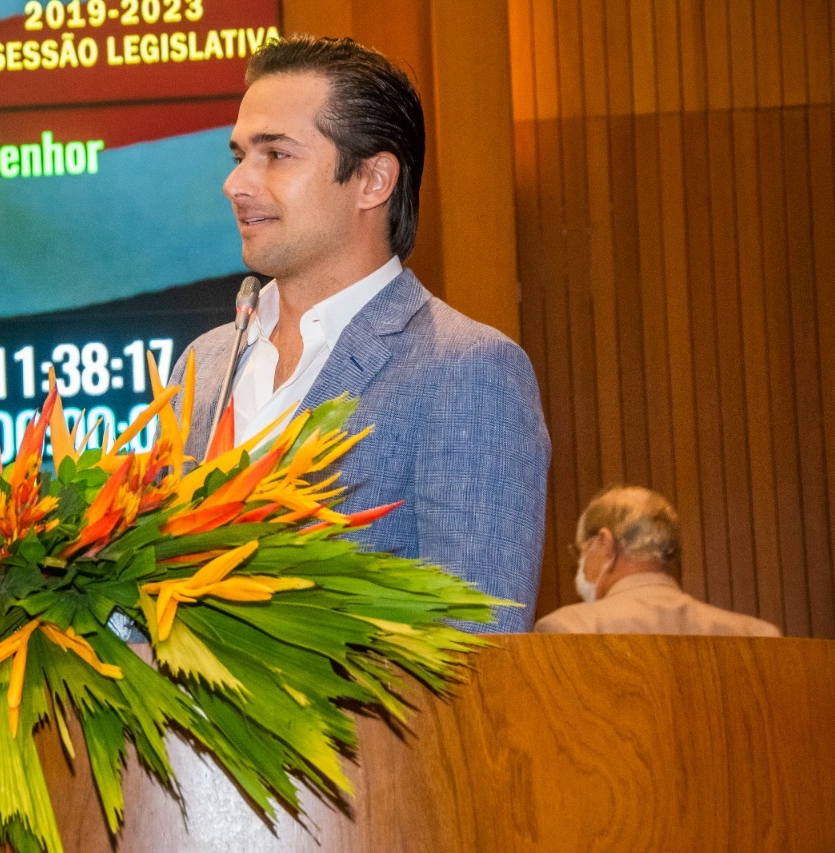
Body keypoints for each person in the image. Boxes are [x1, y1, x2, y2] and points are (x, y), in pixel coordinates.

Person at [172, 35, 551, 633]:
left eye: (275, 155)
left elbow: (477, 653)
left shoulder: (466, 370)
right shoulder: (205, 362)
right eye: (238, 155)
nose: (237, 184)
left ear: (373, 181)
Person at [535, 486, 782, 636]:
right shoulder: (759, 635)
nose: (580, 564)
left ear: (605, 544)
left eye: (581, 551)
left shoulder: (568, 629)